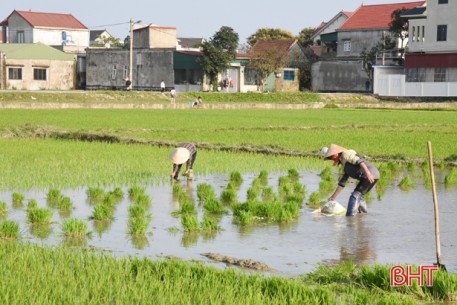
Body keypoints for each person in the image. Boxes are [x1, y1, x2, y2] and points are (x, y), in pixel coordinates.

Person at [322, 144, 380, 216]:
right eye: (331, 158)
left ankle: (350, 218)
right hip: (372, 175)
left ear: (337, 153)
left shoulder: (346, 154)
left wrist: (368, 173)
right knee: (359, 196)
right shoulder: (344, 164)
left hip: (369, 175)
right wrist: (333, 197)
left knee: (355, 196)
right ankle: (362, 215)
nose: (332, 158)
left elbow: (359, 161)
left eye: (332, 156)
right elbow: (342, 183)